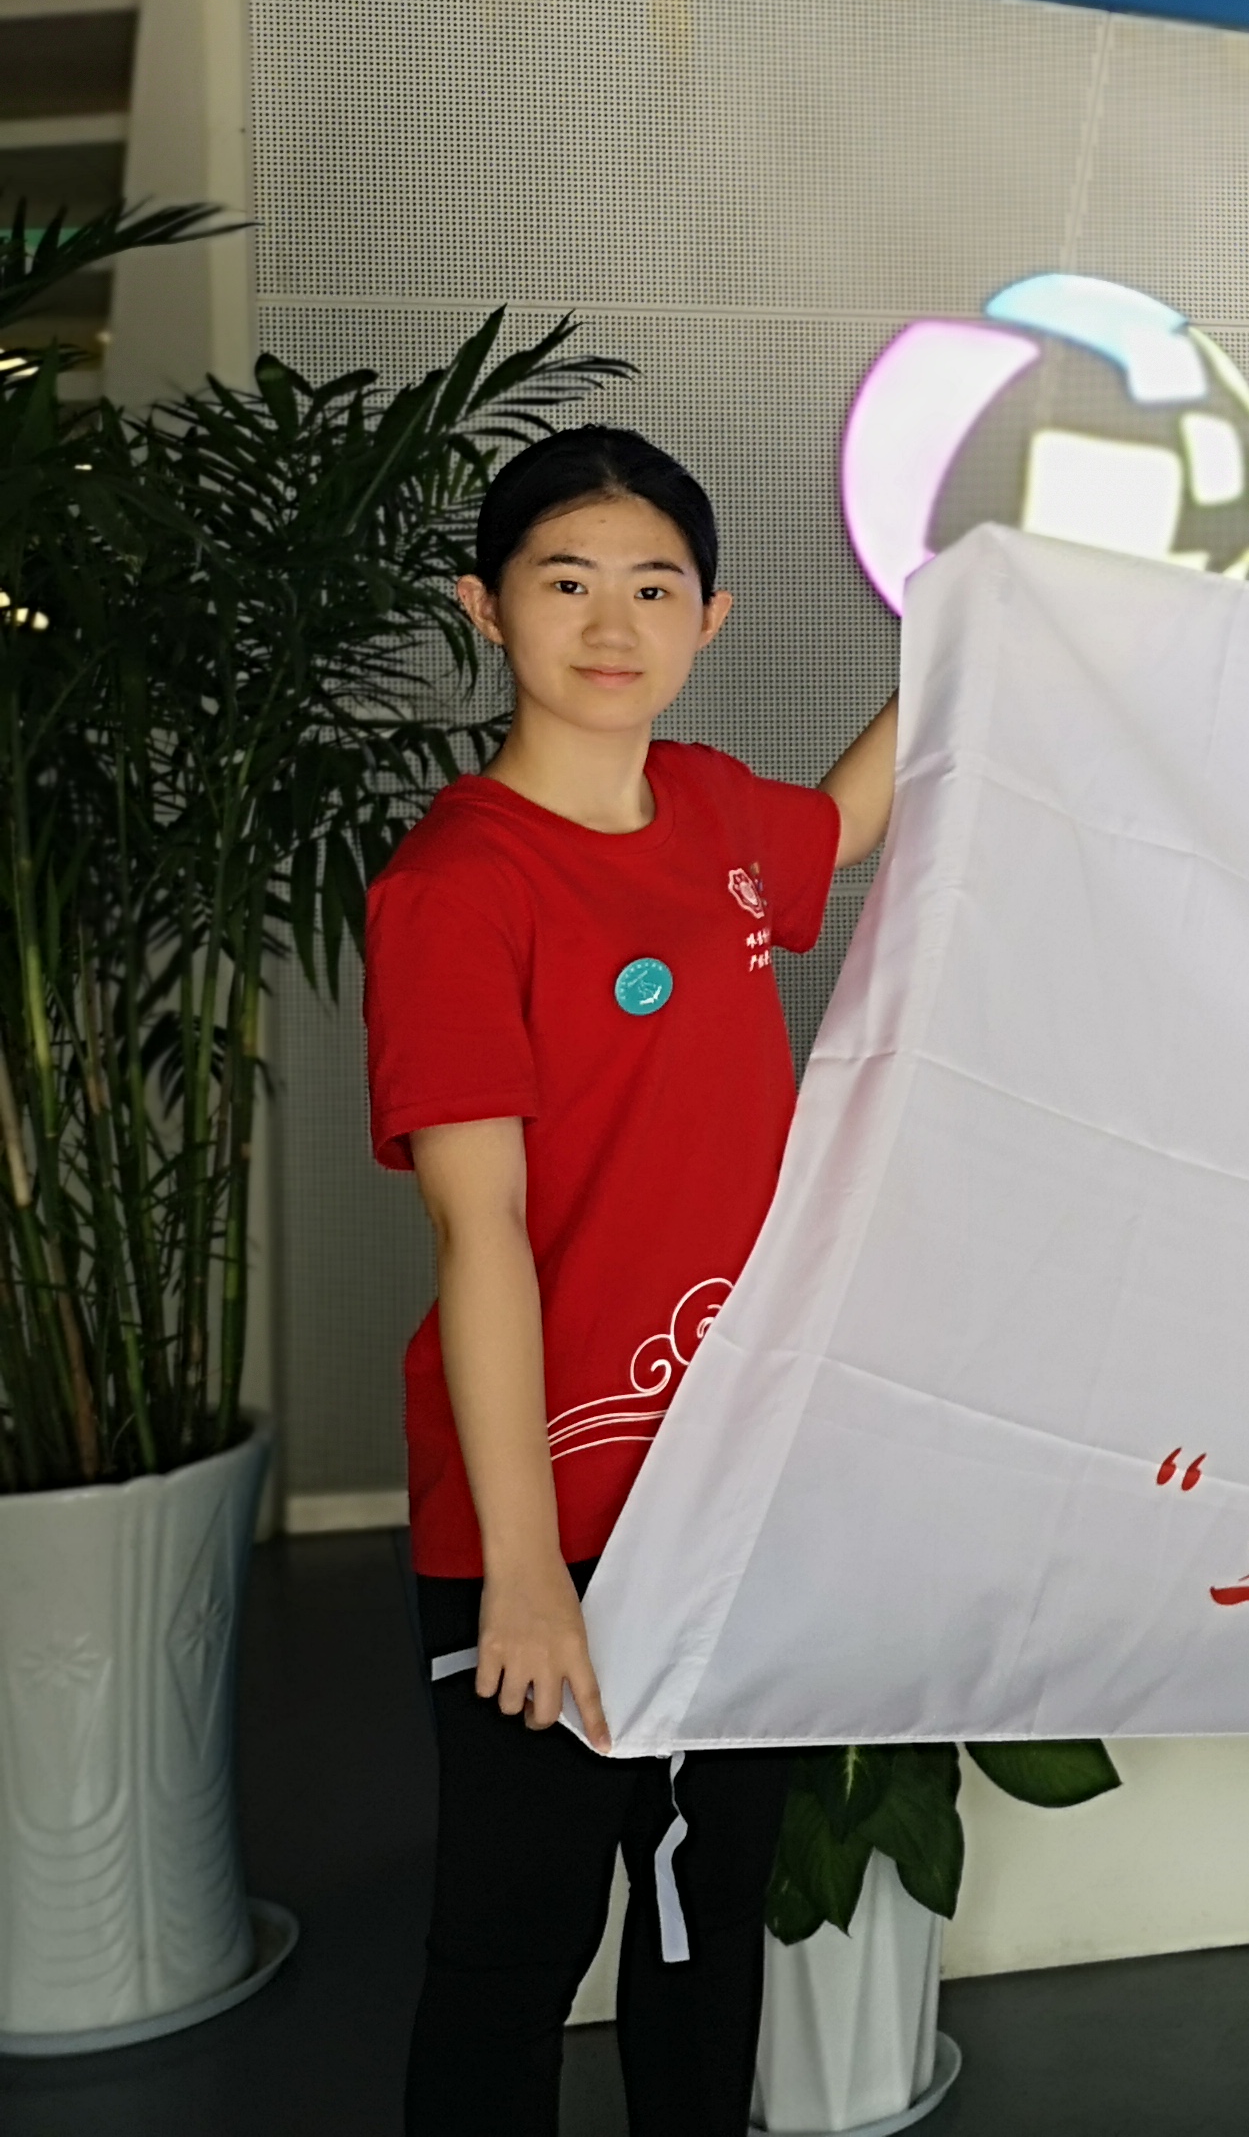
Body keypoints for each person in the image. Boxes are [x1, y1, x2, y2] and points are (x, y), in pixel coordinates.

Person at [367, 425, 897, 2135]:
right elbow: (479, 1238)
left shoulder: (723, 812)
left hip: (730, 1484)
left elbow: (847, 822)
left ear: (710, 618)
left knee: (706, 1913)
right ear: (486, 607)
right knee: (514, 1942)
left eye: (655, 588)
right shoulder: (458, 888)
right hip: (549, 1509)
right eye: (567, 582)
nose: (613, 625)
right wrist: (525, 1575)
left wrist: (994, 629)